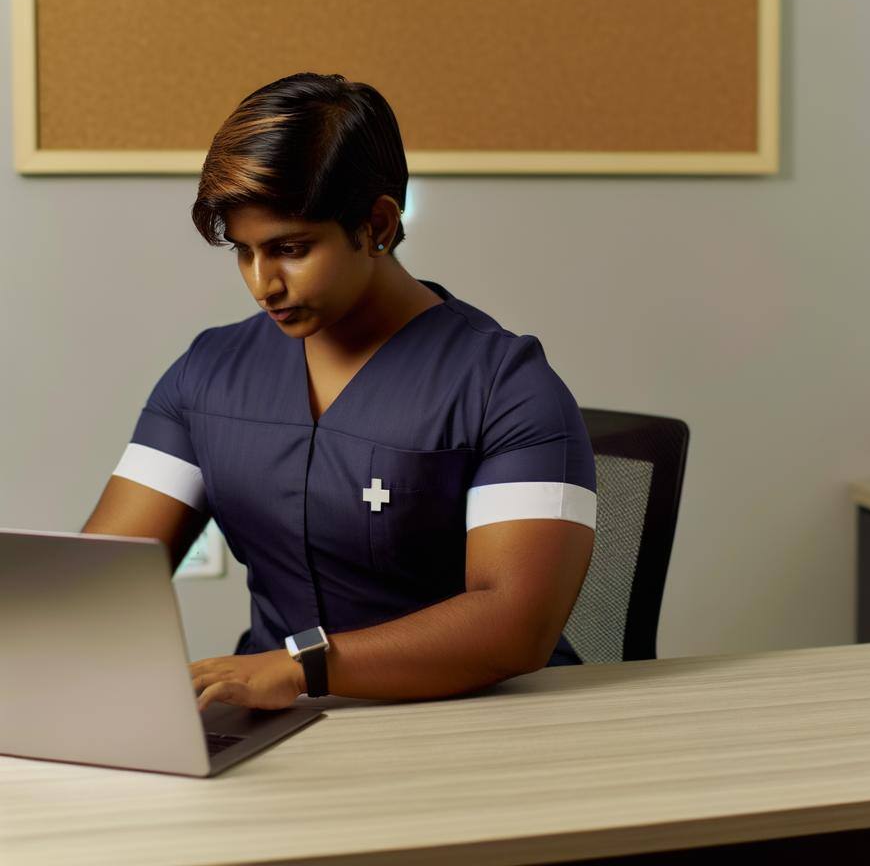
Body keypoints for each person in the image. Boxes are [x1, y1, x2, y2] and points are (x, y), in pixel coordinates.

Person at [82, 72, 596, 710]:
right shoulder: (207, 373)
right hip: (281, 726)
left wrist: (301, 668)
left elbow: (515, 626)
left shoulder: (509, 389)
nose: (261, 284)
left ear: (377, 223)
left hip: (485, 724)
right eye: (244, 252)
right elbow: (99, 582)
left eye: (290, 249)